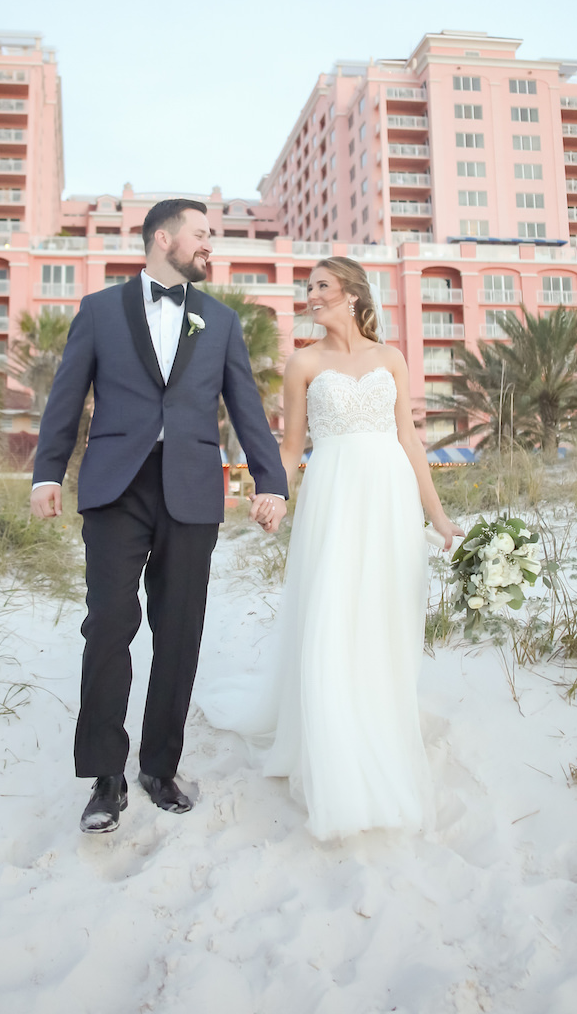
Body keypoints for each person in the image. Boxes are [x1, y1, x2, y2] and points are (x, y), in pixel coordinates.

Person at [29, 199, 289, 834]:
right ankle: (105, 776)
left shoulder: (221, 321)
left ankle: (159, 766)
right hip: (116, 488)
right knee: (109, 626)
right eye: (202, 235)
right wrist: (46, 471)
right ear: (163, 238)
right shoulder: (97, 311)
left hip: (193, 489)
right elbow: (67, 395)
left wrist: (271, 480)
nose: (211, 245)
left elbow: (246, 407)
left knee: (179, 631)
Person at [202, 256, 463, 841]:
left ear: (350, 294)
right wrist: (273, 494)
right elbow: (292, 447)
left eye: (321, 286)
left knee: (383, 609)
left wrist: (440, 518)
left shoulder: (390, 359)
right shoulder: (304, 362)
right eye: (309, 287)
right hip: (333, 496)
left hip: (390, 496)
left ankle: (378, 710)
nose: (311, 294)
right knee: (331, 609)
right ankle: (331, 731)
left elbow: (411, 443)